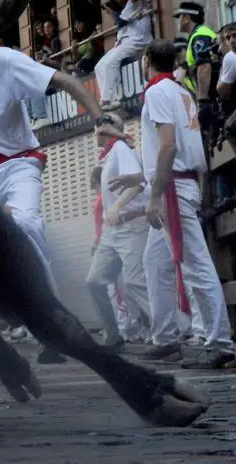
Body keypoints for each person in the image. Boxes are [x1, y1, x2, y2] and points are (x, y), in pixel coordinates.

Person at [0, 7, 127, 387]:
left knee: (27, 226)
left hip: (20, 163)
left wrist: (99, 119)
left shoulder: (2, 62)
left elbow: (67, 80)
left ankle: (50, 324)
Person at [111, 40, 236, 369]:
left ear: (147, 59)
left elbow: (167, 147)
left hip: (171, 189)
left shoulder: (157, 92)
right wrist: (141, 178)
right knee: (155, 264)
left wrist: (154, 194)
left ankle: (221, 344)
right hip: (179, 182)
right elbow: (176, 149)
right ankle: (166, 339)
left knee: (196, 265)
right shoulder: (182, 92)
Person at [86, 113, 151, 350]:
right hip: (112, 231)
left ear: (109, 129)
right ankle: (113, 335)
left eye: (102, 122)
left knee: (136, 284)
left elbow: (138, 184)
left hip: (131, 225)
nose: (96, 128)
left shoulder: (122, 148)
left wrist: (116, 205)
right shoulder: (111, 153)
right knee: (94, 281)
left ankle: (170, 332)